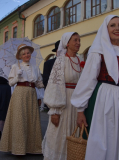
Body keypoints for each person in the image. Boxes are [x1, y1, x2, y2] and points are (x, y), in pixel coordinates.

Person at [71, 15, 119, 160]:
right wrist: (80, 110)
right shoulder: (98, 51)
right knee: (107, 139)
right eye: (112, 25)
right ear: (105, 30)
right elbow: (87, 80)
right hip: (107, 100)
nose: (117, 28)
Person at [42, 32, 83, 160]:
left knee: (75, 133)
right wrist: (54, 110)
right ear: (67, 43)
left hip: (78, 103)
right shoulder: (60, 61)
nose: (78, 43)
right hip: (63, 102)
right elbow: (55, 86)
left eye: (79, 40)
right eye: (75, 40)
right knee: (59, 134)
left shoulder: (81, 60)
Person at [0, 44, 44, 155]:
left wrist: (43, 83)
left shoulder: (35, 68)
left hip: (32, 94)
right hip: (19, 93)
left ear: (30, 54)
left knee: (31, 119)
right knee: (20, 119)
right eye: (23, 53)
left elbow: (39, 84)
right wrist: (17, 77)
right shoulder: (15, 67)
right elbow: (10, 83)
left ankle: (32, 148)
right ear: (20, 56)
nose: (26, 55)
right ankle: (18, 148)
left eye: (28, 53)